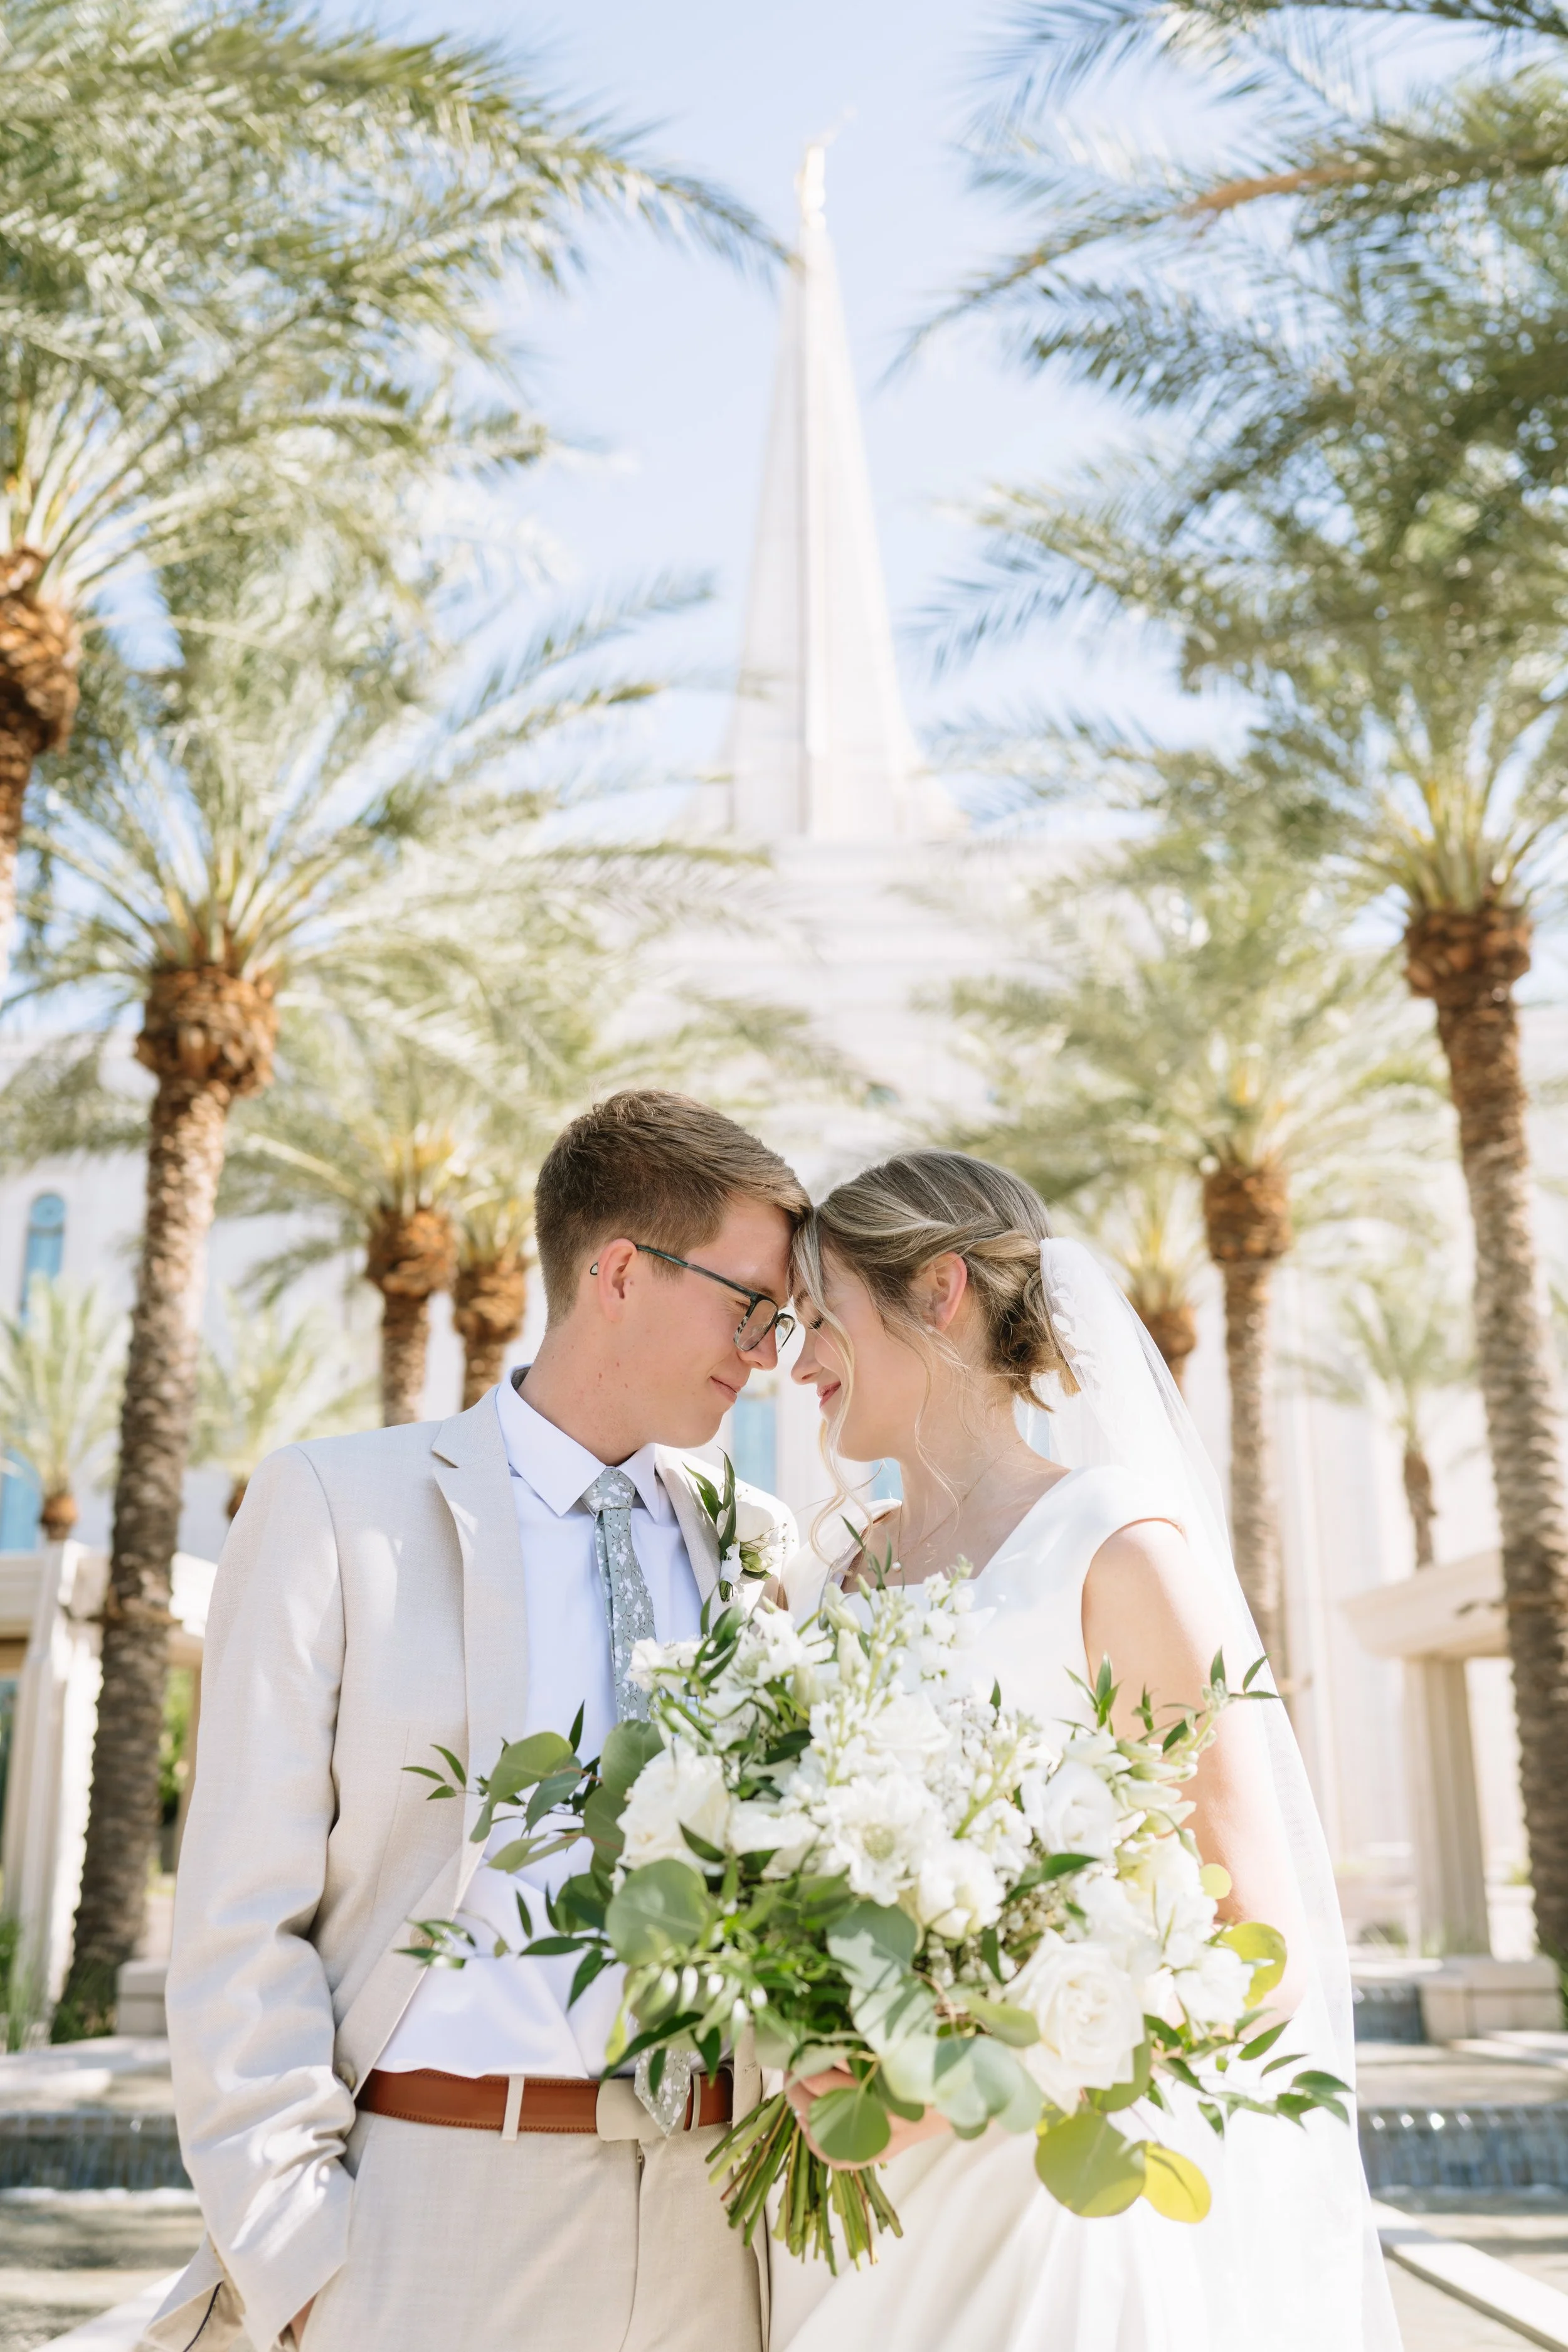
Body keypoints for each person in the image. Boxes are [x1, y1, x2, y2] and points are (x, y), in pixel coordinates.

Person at [144, 1090, 808, 2352]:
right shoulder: (337, 1510)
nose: (767, 1350)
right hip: (424, 2221)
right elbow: (237, 1912)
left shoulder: (760, 1544)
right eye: (748, 1305)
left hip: (712, 2226)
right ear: (619, 1270)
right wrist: (296, 2250)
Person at [776, 1148, 1400, 2352]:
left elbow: (1255, 1946)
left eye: (823, 1317)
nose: (798, 1360)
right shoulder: (832, 1572)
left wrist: (959, 2081)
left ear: (941, 1288)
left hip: (1034, 2209)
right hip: (836, 2206)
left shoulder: (1119, 1552)